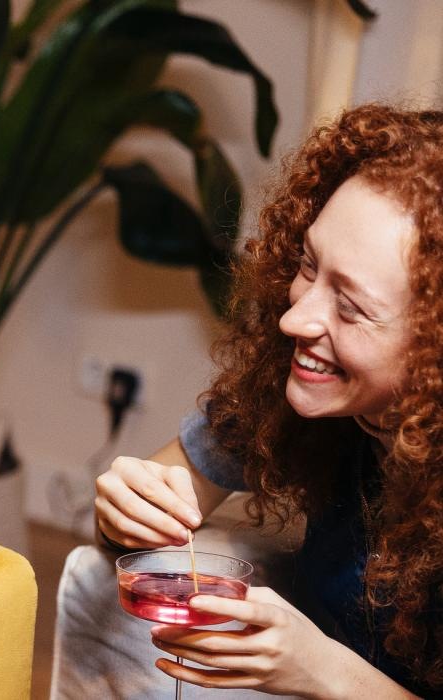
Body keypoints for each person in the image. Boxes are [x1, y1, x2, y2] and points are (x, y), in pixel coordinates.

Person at [91, 104, 443, 698]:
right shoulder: (299, 396)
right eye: (308, 266)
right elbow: (151, 517)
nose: (295, 317)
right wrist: (123, 512)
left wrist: (328, 672)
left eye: (351, 308)